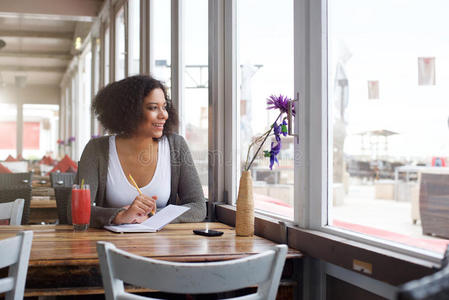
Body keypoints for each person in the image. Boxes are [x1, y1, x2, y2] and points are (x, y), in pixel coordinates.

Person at [68, 75, 206, 228]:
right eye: (153, 107)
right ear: (129, 111)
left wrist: (153, 215)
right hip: (110, 246)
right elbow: (74, 211)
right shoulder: (97, 149)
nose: (164, 115)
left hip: (162, 248)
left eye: (164, 107)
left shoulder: (176, 145)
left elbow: (198, 207)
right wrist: (120, 216)